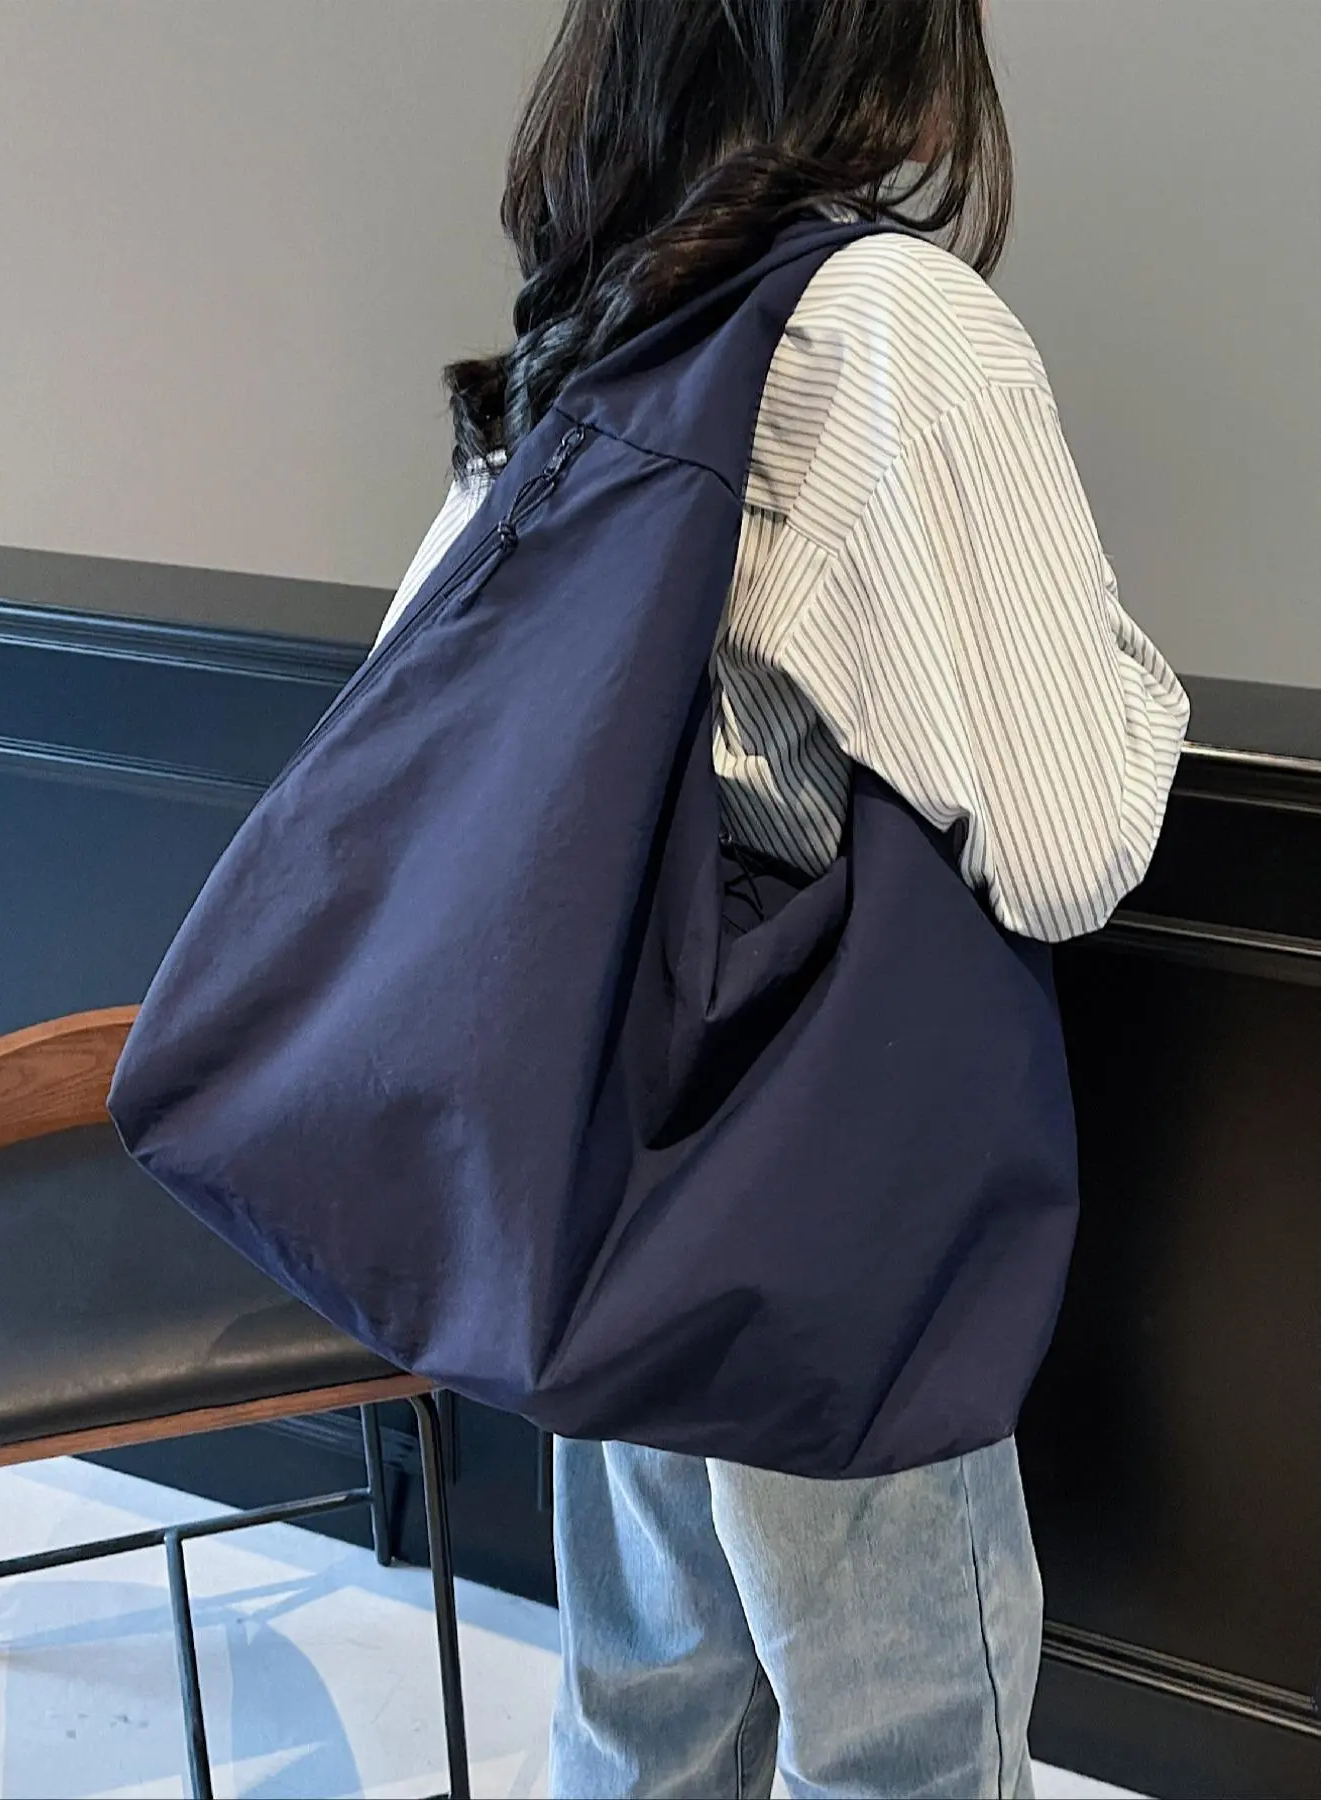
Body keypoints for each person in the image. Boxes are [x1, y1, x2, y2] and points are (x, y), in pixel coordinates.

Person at [376, 3, 1189, 1795]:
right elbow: (1067, 848)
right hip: (819, 1177)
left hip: (603, 1150)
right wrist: (1125, 673)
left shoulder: (597, 313)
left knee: (647, 1715)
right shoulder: (894, 322)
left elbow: (419, 701)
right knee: (906, 1740)